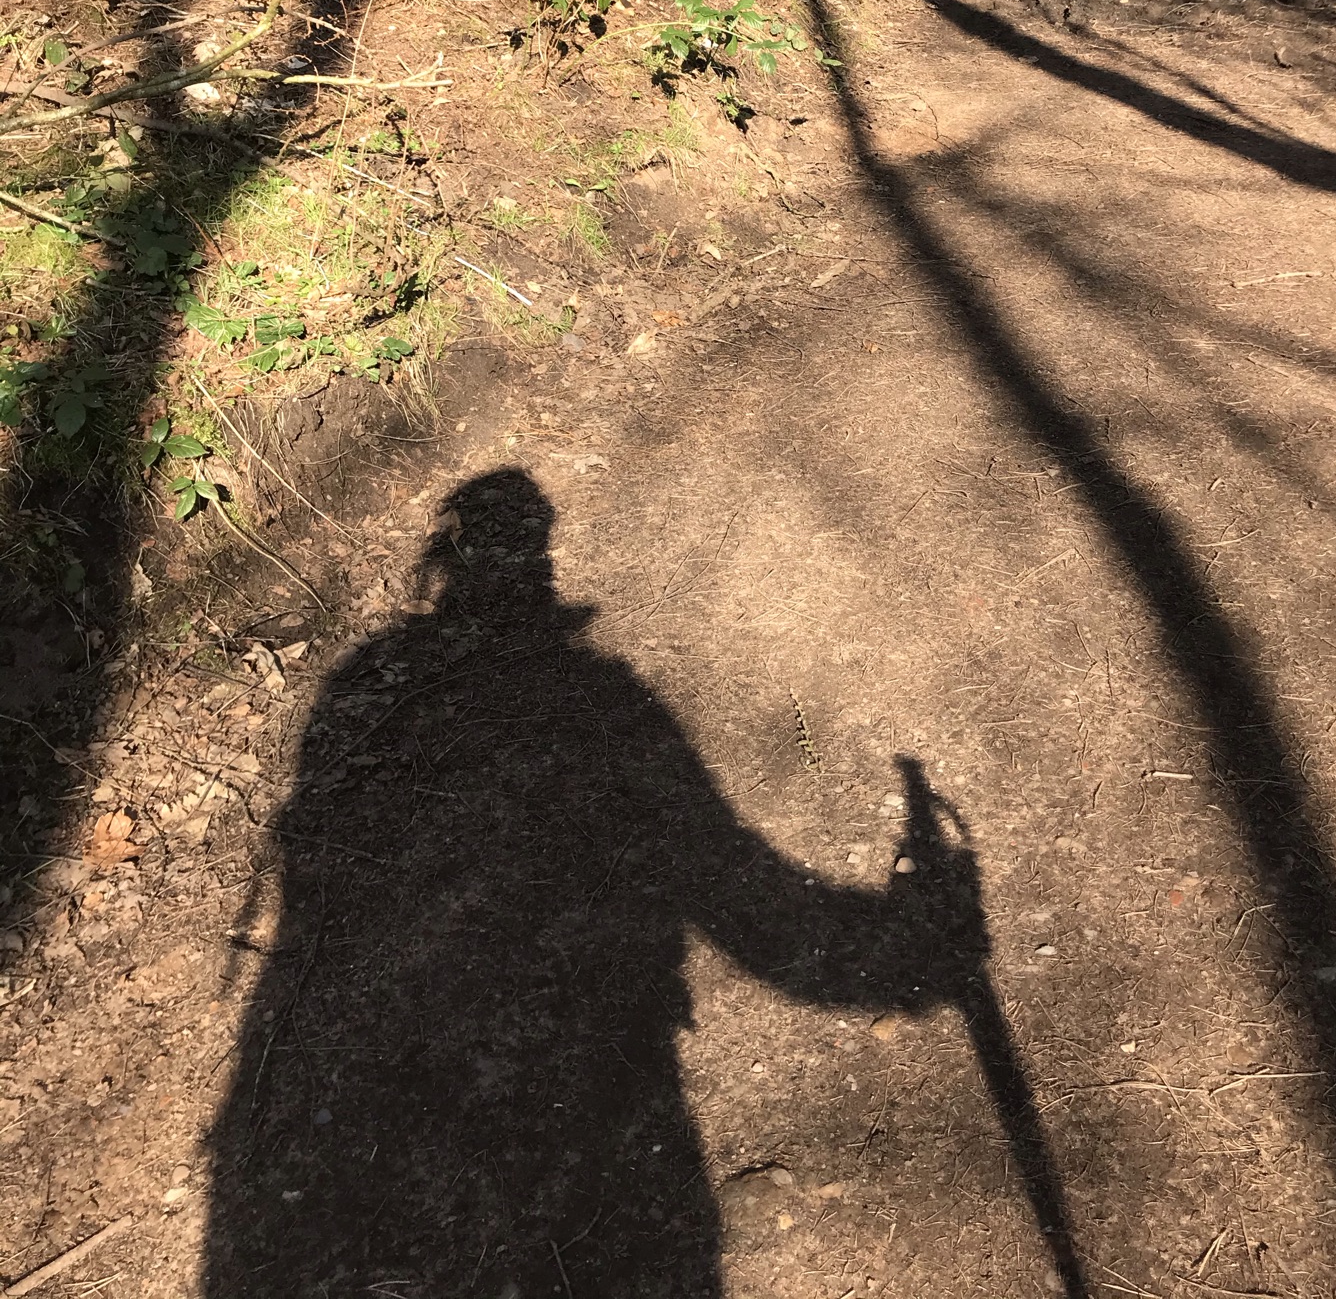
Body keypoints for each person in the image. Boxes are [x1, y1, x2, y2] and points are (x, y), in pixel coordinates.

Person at [202, 468, 991, 1299]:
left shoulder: (364, 676)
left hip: (367, 1100)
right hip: (591, 1074)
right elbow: (727, 880)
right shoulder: (603, 698)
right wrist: (912, 959)